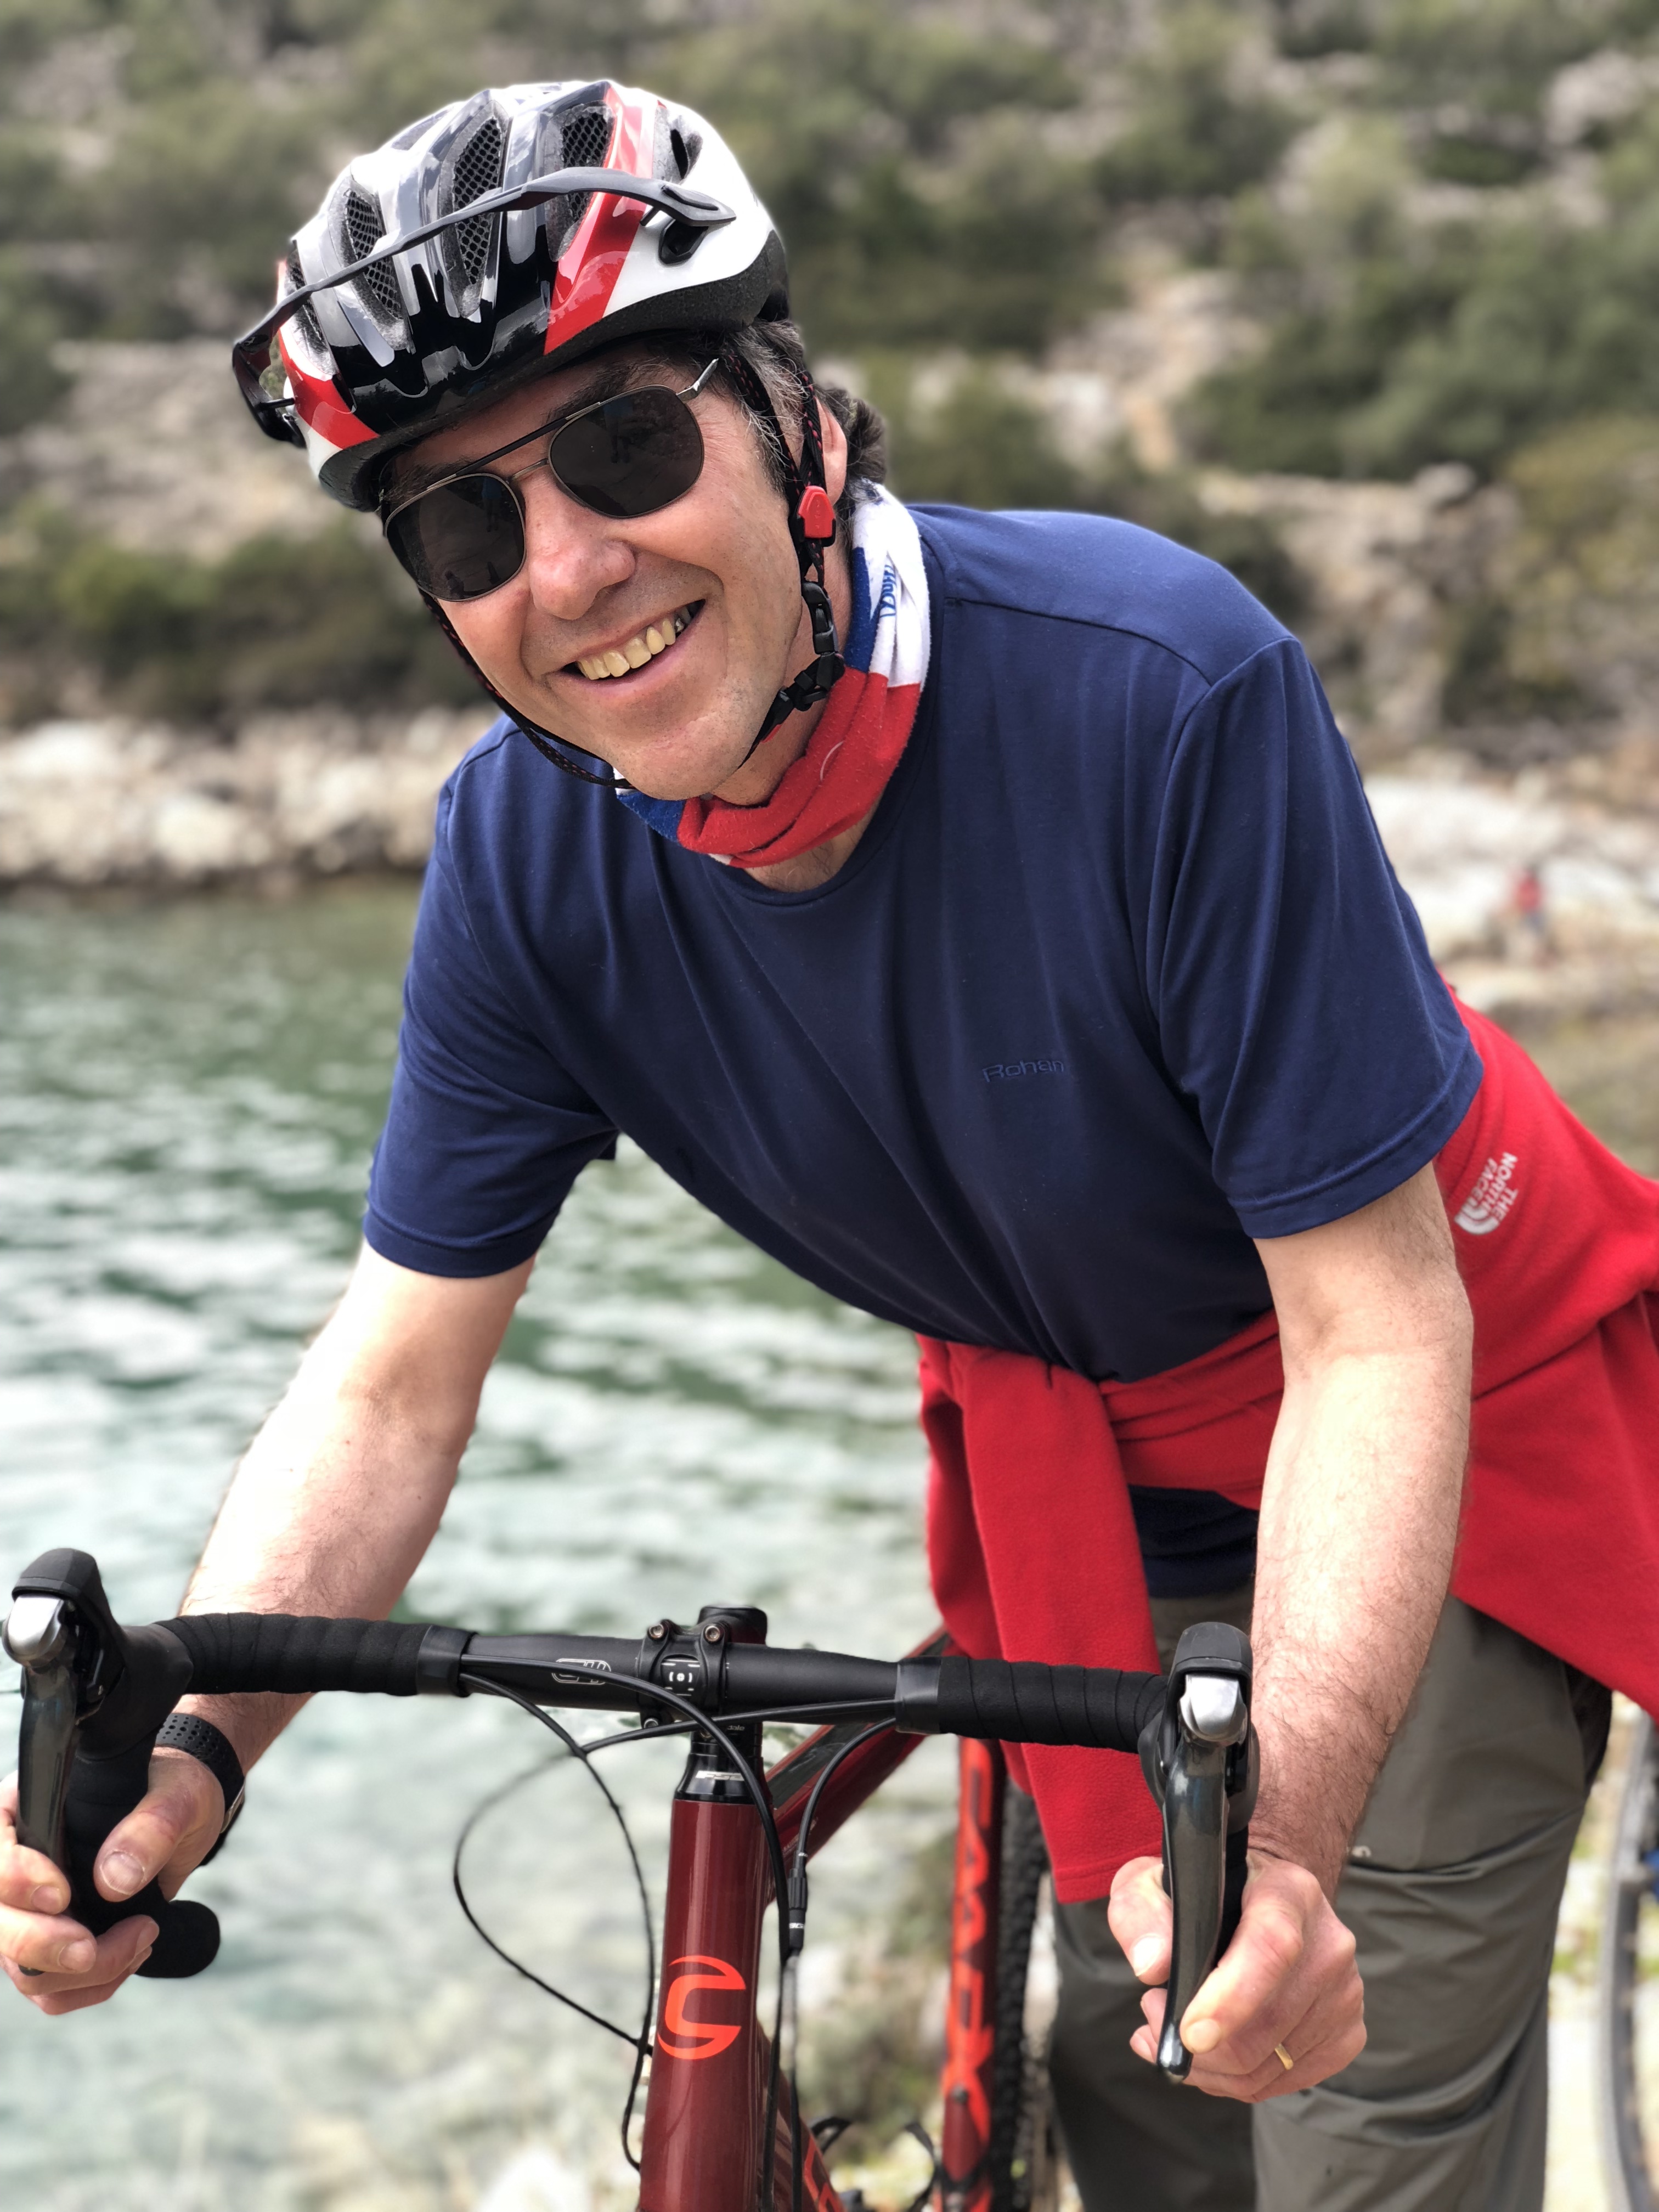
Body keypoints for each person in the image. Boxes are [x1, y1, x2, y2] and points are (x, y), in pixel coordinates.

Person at [4, 79, 1656, 2212]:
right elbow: (393, 1382)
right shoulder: (521, 863)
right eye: (465, 531)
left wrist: (1290, 1842)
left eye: (623, 444)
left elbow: (1377, 1333)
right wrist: (193, 1747)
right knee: (1141, 2095)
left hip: (1431, 1405)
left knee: (1345, 2098)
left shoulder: (1156, 687)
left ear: (794, 417)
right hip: (1088, 1473)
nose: (568, 568)